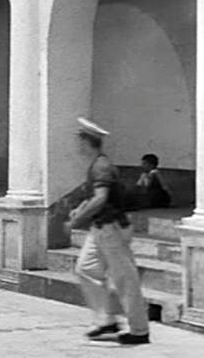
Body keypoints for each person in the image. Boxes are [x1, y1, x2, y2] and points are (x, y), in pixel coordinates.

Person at [67, 117, 149, 345]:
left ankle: (139, 330)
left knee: (125, 279)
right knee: (86, 268)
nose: (77, 145)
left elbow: (101, 198)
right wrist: (81, 208)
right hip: (100, 228)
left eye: (80, 140)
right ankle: (106, 320)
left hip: (111, 228)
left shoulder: (101, 166)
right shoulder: (97, 165)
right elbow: (96, 197)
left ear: (87, 141)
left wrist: (78, 218)